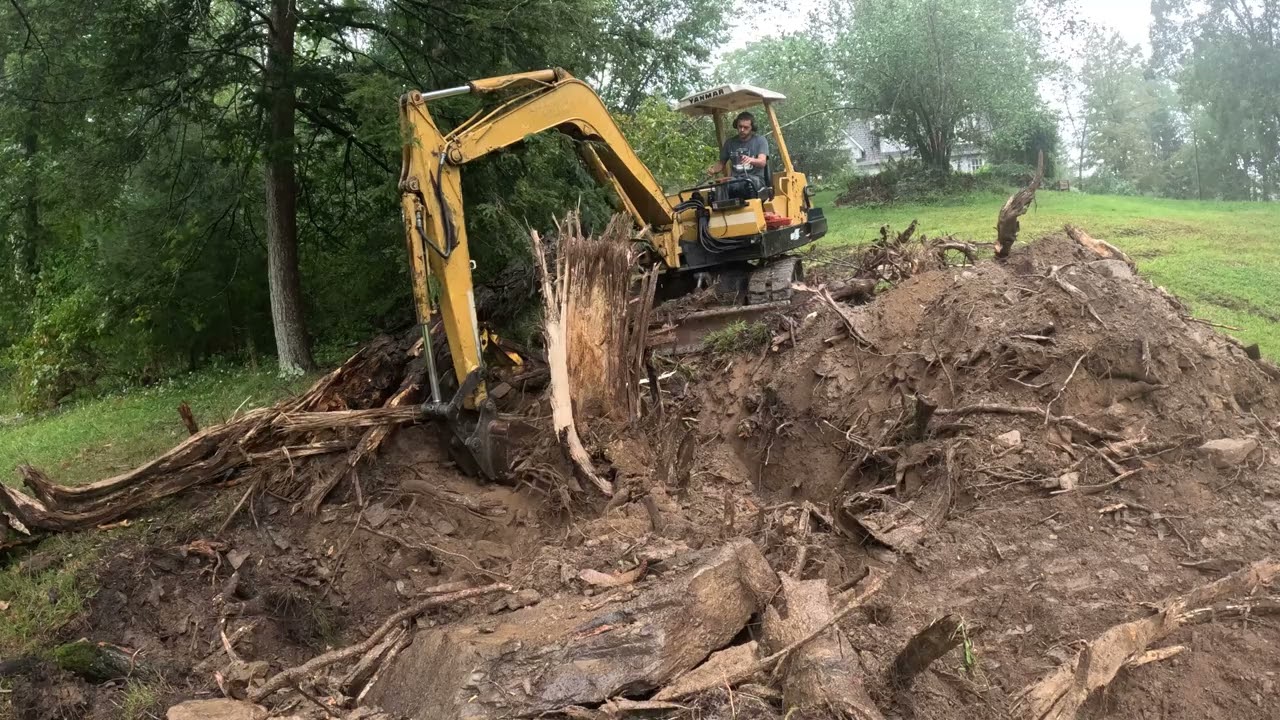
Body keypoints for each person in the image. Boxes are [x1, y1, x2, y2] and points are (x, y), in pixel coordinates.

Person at [706, 111, 769, 199]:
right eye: (740, 127)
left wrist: (751, 160)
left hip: (755, 179)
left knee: (743, 183)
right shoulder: (730, 143)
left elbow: (762, 162)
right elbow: (721, 163)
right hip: (735, 180)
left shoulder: (760, 141)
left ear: (752, 128)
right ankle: (724, 211)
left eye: (746, 127)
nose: (742, 130)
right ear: (736, 125)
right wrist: (713, 169)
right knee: (719, 187)